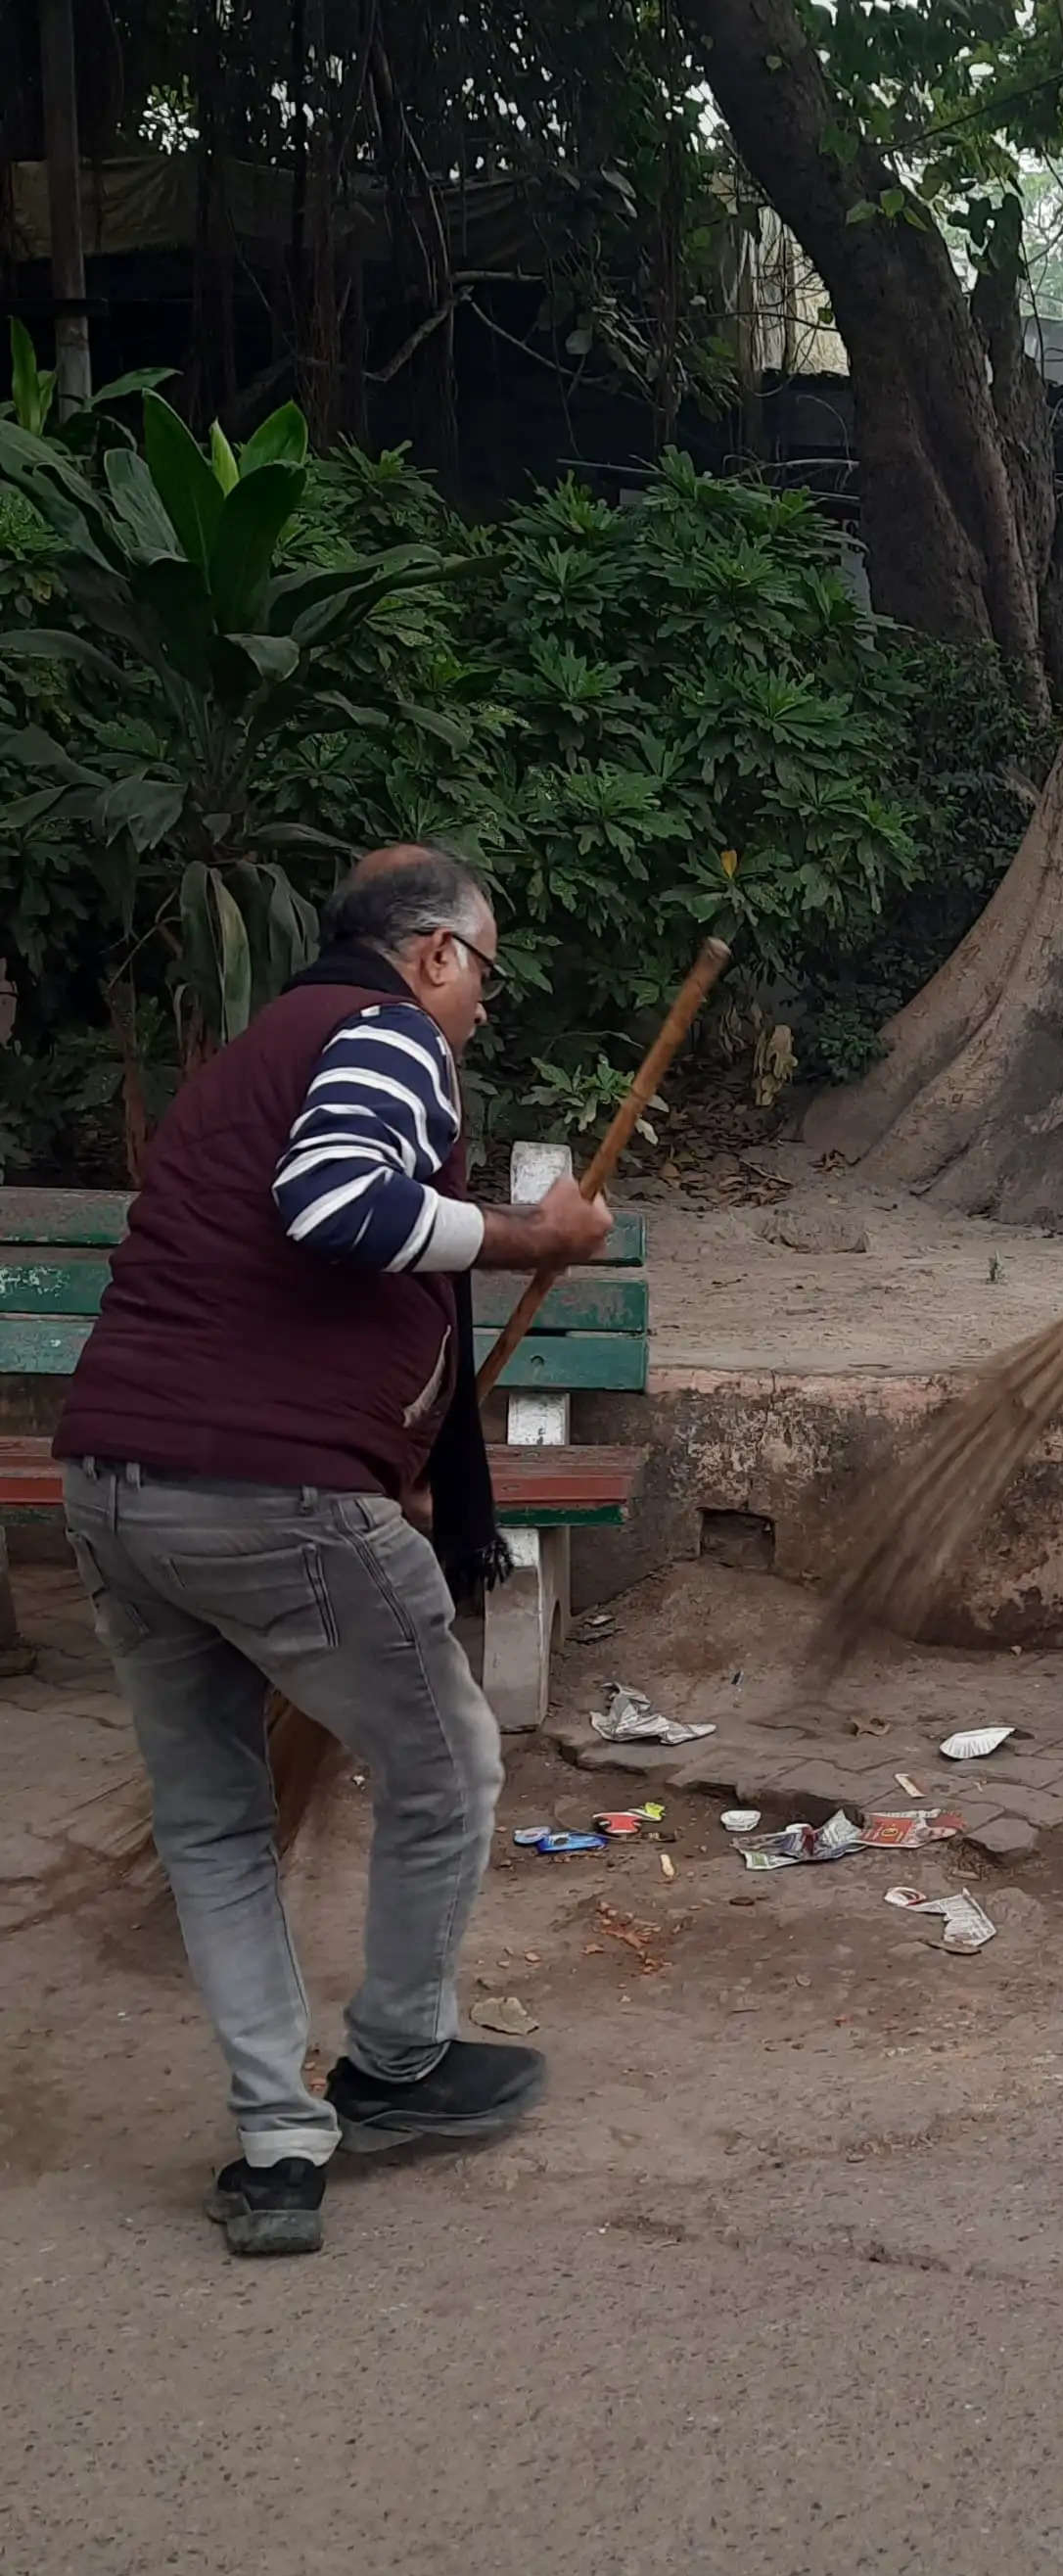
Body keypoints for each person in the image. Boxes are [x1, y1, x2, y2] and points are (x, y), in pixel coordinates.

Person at [56, 845, 614, 2256]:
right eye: (484, 972)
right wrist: (524, 1232)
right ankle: (399, 2063)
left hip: (116, 1488)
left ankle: (276, 2149)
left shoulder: (256, 1049)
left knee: (212, 1826)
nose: (482, 1005)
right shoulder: (383, 1035)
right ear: (432, 955)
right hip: (270, 1499)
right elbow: (333, 1207)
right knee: (449, 1767)